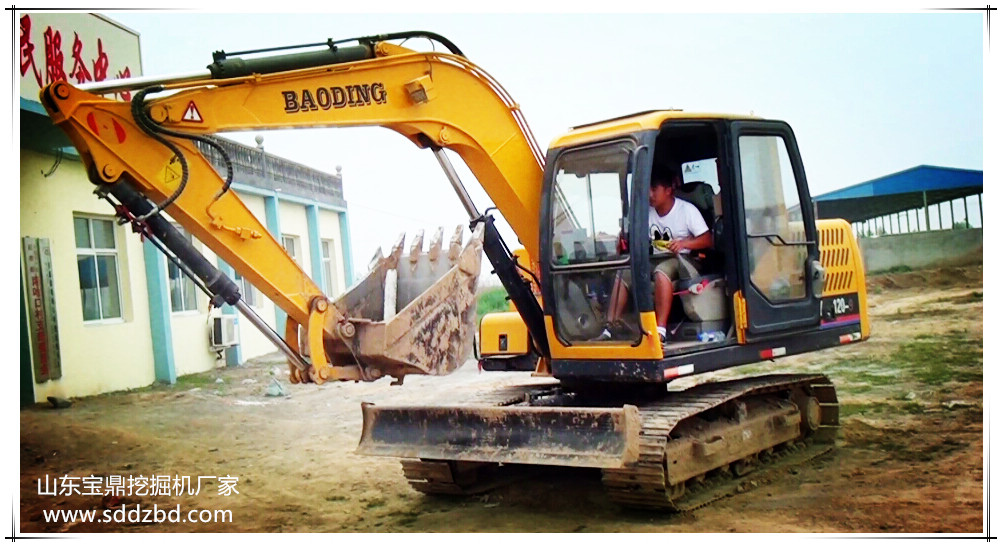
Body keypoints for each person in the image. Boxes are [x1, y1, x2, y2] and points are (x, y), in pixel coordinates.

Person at [595, 165, 712, 344]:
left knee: (661, 271)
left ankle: (660, 331)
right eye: (648, 189)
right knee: (625, 274)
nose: (650, 194)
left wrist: (683, 244)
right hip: (655, 258)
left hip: (682, 259)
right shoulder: (647, 214)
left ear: (668, 190)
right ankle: (610, 327)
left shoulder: (686, 210)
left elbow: (707, 240)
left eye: (654, 189)